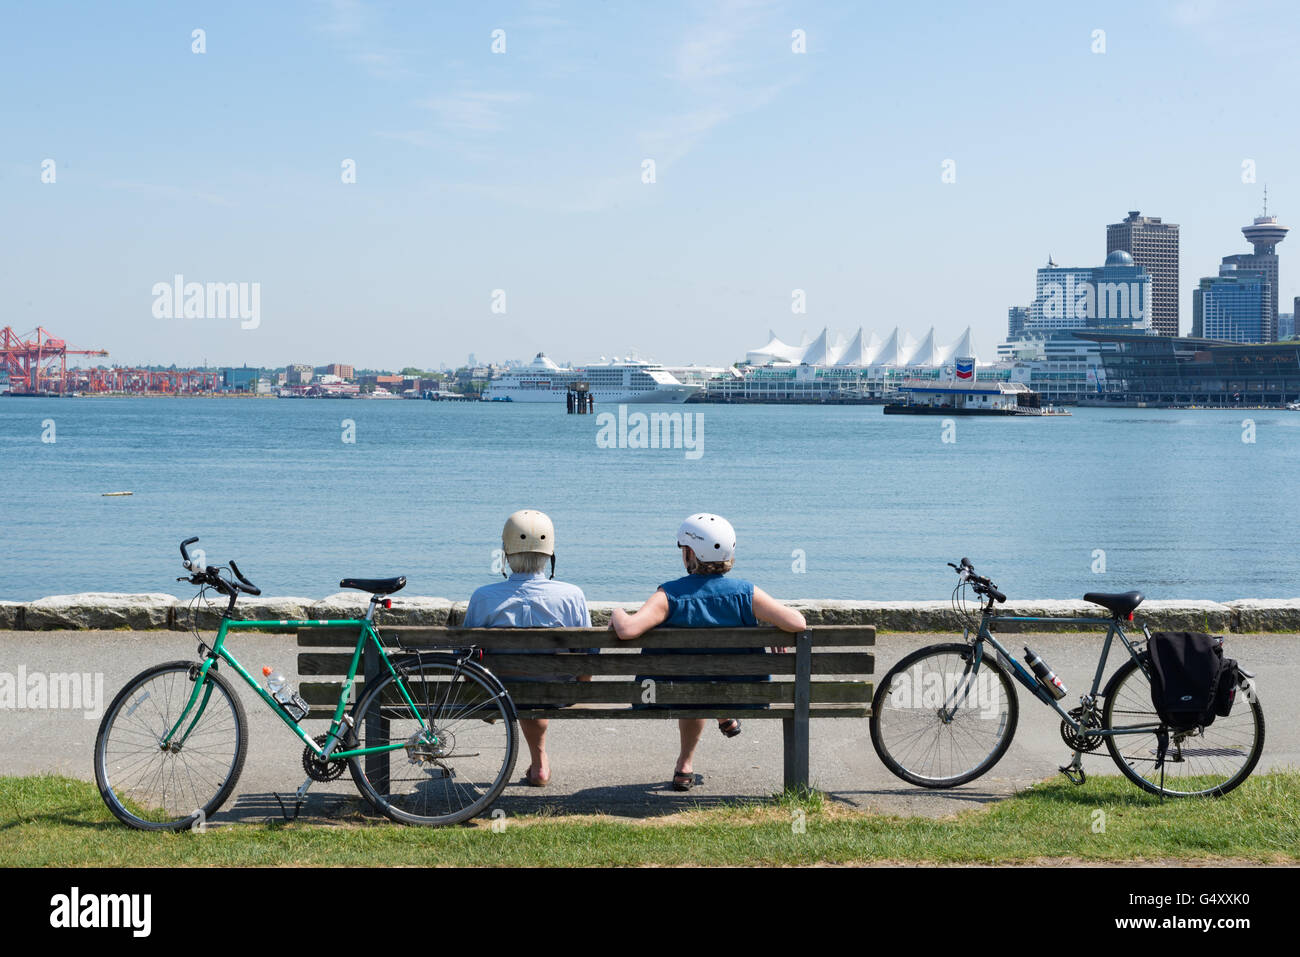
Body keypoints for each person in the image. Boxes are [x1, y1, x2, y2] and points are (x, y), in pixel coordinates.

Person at [610, 513, 806, 791]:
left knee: (692, 683)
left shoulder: (669, 595)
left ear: (689, 552)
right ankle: (719, 720)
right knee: (707, 682)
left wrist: (617, 612)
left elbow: (627, 629)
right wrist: (772, 625)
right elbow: (797, 623)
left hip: (675, 694)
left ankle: (685, 764)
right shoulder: (745, 594)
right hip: (743, 695)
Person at [464, 509, 591, 787]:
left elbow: (465, 655)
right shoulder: (572, 596)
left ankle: (539, 763)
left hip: (496, 693)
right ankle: (539, 763)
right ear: (550, 553)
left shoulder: (483, 597)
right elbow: (587, 655)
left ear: (505, 553)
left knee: (520, 682)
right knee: (540, 680)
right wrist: (582, 687)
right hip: (557, 693)